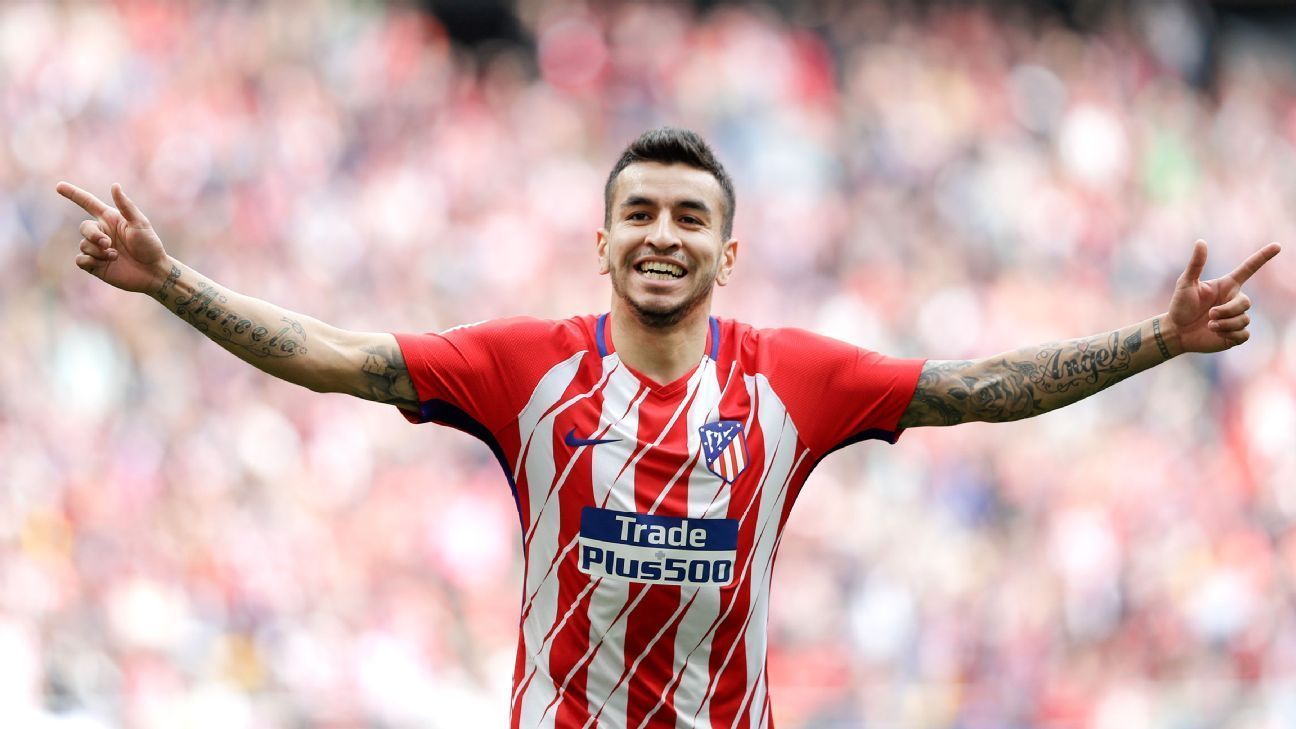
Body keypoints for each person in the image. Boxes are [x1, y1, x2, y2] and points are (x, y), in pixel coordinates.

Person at [59, 127, 1279, 729]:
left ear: (727, 254)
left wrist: (1158, 340)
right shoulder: (524, 366)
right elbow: (335, 359)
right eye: (639, 212)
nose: (662, 234)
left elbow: (981, 385)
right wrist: (171, 283)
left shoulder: (795, 379)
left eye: (690, 217)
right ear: (602, 242)